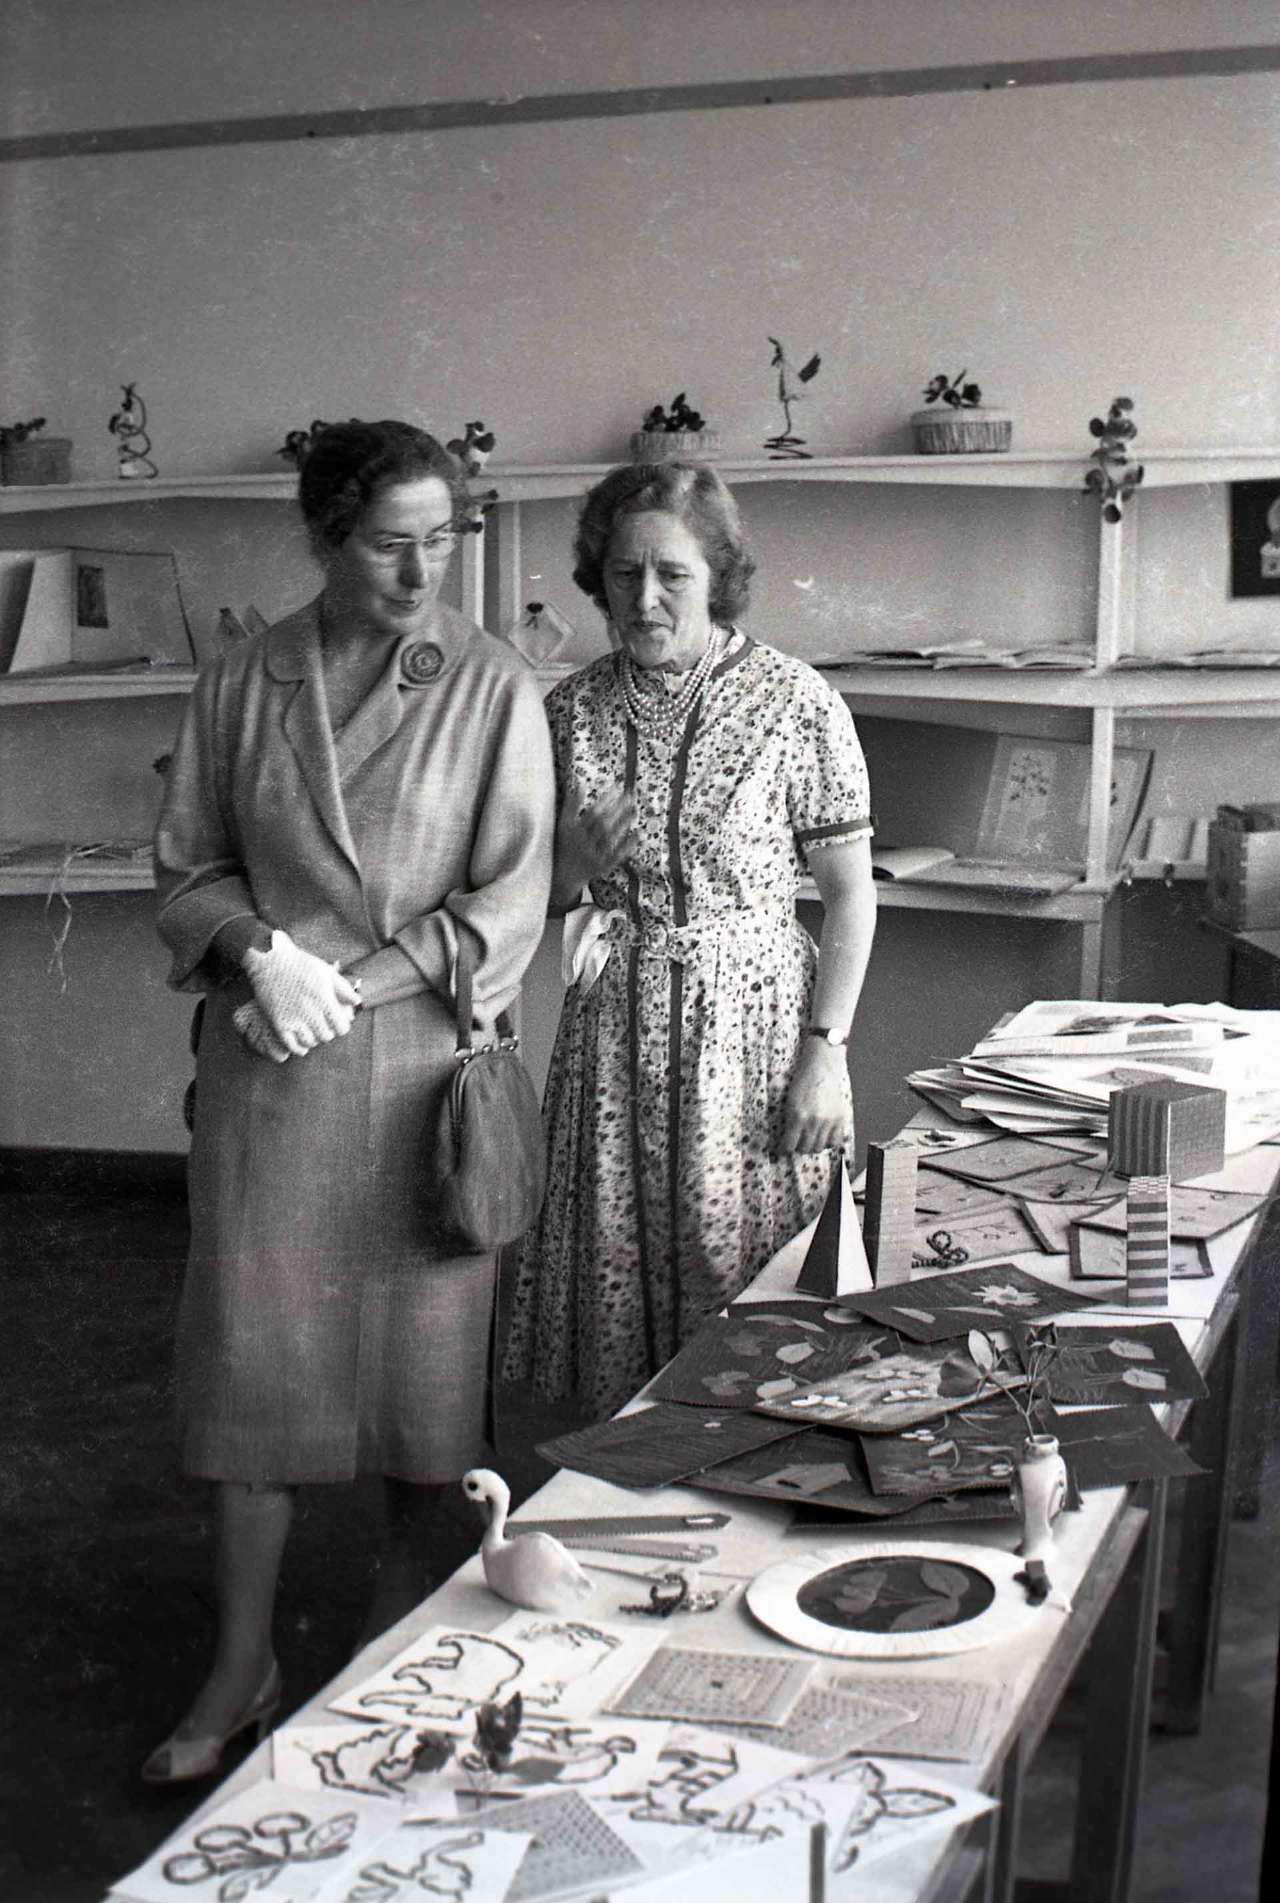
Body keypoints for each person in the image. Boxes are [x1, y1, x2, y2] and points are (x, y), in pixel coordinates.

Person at [149, 419, 554, 1782]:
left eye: (442, 541)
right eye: (390, 545)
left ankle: (397, 1658)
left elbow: (508, 900)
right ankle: (239, 1666)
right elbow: (186, 866)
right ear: (324, 538)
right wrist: (257, 953)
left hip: (421, 1078)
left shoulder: (490, 684)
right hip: (268, 1069)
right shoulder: (243, 678)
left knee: (423, 1399)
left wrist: (346, 983)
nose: (422, 572)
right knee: (250, 1378)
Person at [503, 461, 876, 1420]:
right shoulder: (568, 711)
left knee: (752, 1292)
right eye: (623, 573)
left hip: (753, 1043)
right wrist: (573, 863)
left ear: (718, 577)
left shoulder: (795, 702)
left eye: (672, 574)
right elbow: (535, 901)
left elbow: (850, 898)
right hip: (612, 1043)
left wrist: (826, 1055)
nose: (645, 598)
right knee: (615, 1289)